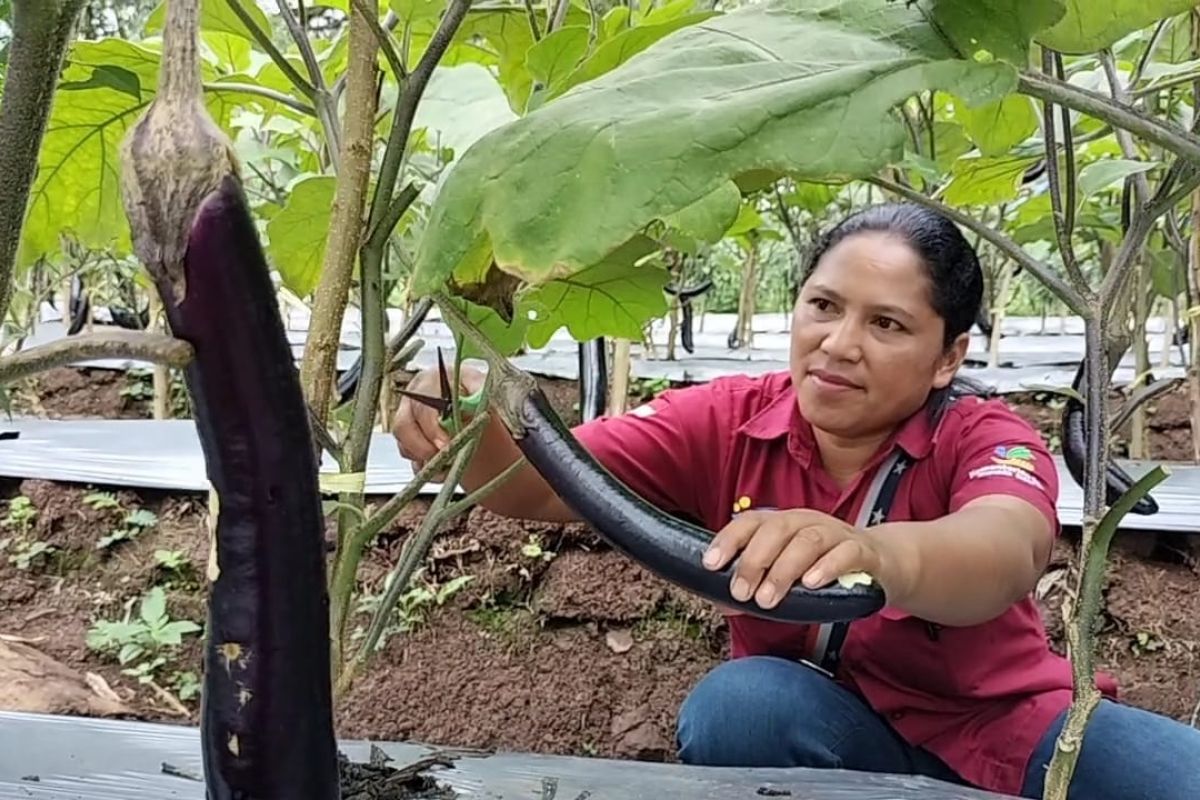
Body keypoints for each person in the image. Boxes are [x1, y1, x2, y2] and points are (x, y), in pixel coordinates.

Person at [392, 203, 1200, 799]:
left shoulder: (987, 434)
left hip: (1017, 731)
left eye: (886, 324)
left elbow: (1006, 547)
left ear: (949, 355)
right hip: (820, 728)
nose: (840, 344)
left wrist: (879, 553)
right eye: (823, 306)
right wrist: (469, 411)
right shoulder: (726, 418)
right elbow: (545, 480)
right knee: (740, 707)